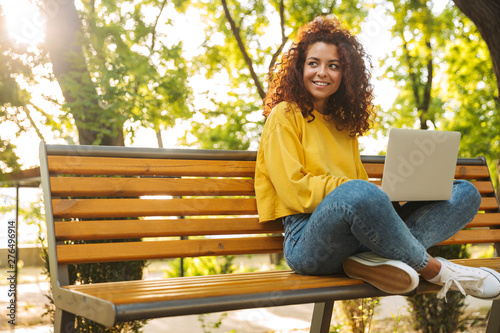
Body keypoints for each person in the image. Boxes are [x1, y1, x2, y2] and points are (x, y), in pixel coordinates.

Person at [254, 15, 500, 300]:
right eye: (314, 63)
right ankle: (438, 270)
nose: (322, 72)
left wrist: (395, 192)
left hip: (359, 238)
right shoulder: (284, 114)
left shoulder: (343, 125)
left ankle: (376, 258)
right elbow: (293, 190)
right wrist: (365, 192)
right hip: (307, 242)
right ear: (300, 68)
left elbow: (359, 193)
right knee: (359, 191)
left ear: (345, 75)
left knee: (464, 193)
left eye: (333, 66)